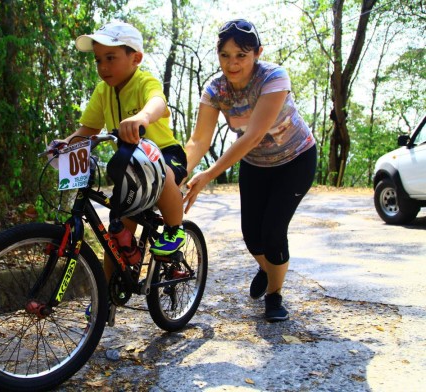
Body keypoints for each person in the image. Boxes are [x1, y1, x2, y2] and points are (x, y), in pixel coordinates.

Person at [183, 19, 317, 322]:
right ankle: (267, 266)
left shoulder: (273, 78)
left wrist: (208, 175)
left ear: (257, 53)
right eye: (225, 55)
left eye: (241, 55)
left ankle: (274, 294)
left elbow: (255, 133)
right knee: (251, 236)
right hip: (255, 163)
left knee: (272, 231)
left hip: (296, 160)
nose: (232, 63)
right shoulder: (215, 89)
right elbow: (199, 139)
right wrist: (177, 173)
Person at [56, 21, 188, 280]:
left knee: (164, 176)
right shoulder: (103, 91)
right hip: (129, 165)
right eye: (98, 60)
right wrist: (65, 144)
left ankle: (175, 229)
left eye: (111, 58)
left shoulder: (143, 82)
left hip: (164, 154)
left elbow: (157, 102)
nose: (103, 67)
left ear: (135, 58)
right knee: (115, 236)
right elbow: (87, 129)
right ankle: (106, 295)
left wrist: (142, 118)